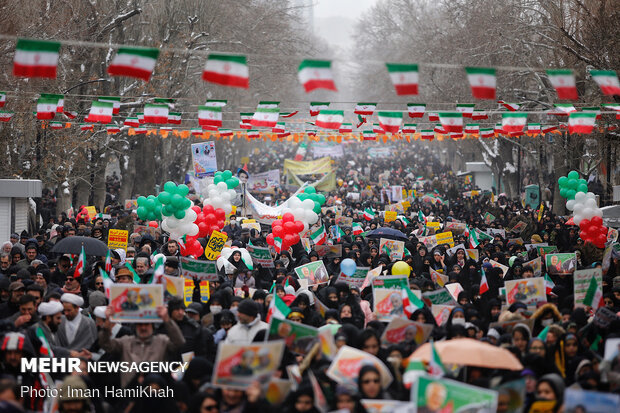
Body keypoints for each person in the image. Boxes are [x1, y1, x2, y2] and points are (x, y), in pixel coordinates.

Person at [99, 305, 185, 387]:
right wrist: (108, 321)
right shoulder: (125, 342)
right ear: (136, 327)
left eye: (146, 324)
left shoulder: (162, 341)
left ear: (152, 326)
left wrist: (167, 320)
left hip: (155, 394)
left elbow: (179, 343)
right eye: (140, 325)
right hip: (130, 395)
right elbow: (105, 344)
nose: (143, 328)